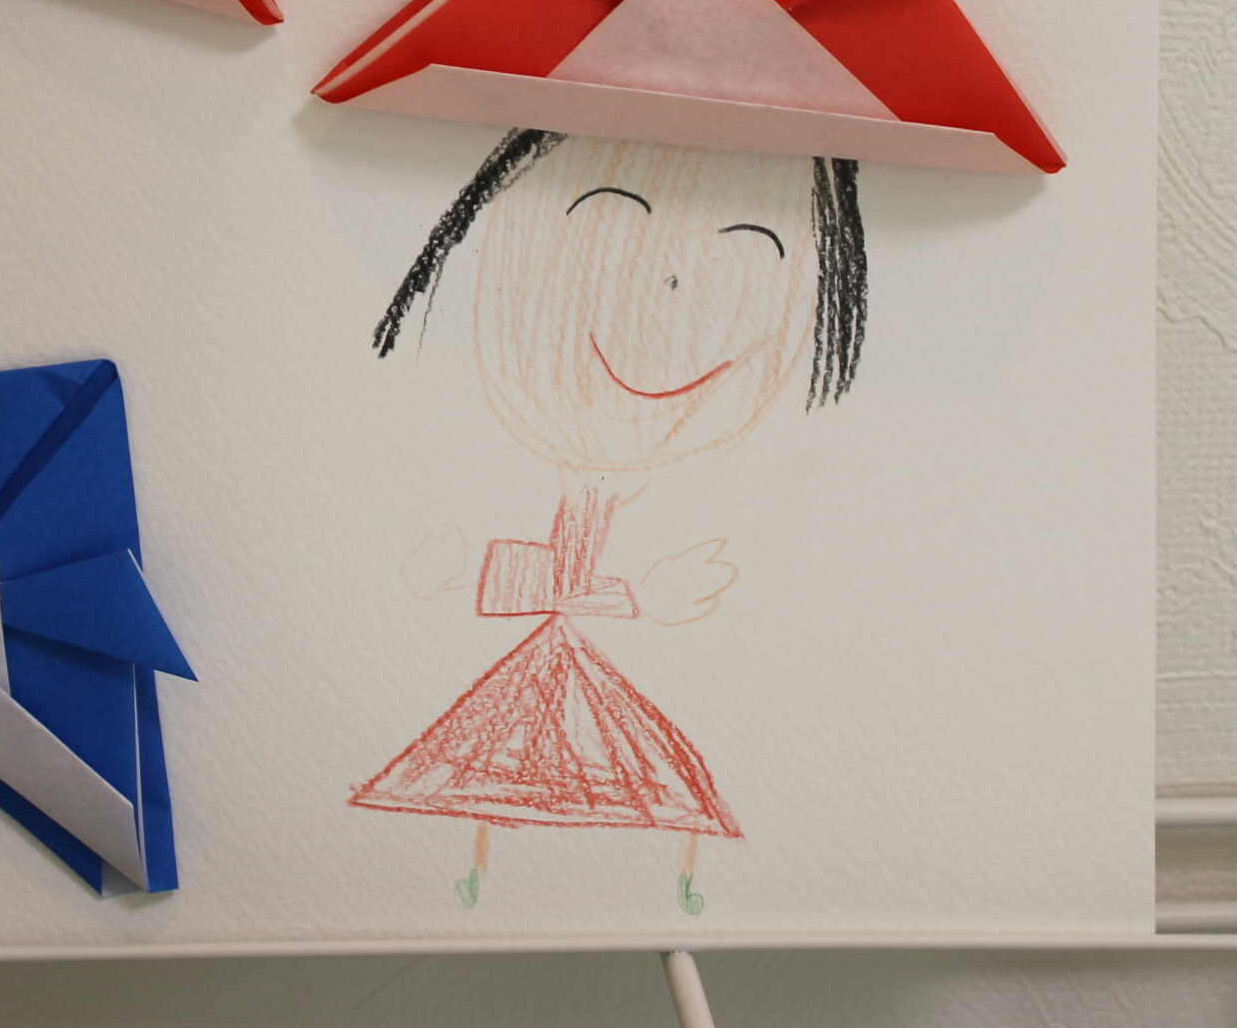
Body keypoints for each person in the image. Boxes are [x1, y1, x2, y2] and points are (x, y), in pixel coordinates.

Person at [351, 130, 867, 912]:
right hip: (540, 671)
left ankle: (646, 881)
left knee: (625, 781)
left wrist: (631, 595)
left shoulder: (755, 522)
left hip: (602, 687)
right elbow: (535, 578)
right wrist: (458, 575)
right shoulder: (476, 465)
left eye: (748, 259)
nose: (671, 291)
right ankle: (480, 877)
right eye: (606, 233)